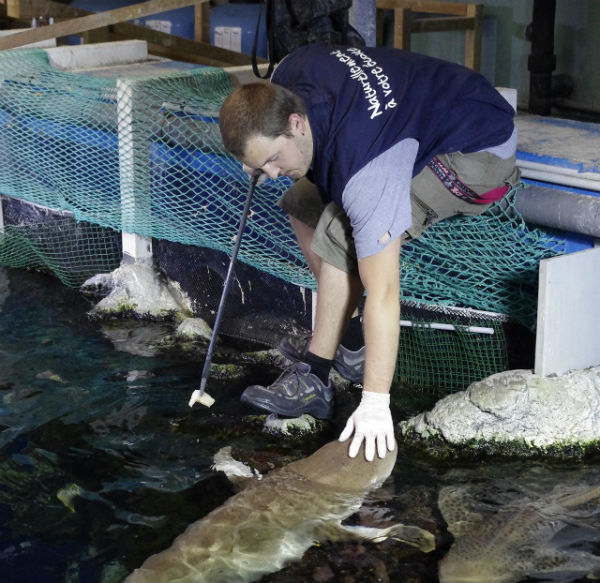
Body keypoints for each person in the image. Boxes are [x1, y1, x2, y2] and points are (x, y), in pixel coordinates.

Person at [219, 43, 520, 462]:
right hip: (428, 107)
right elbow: (275, 148)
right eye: (257, 167)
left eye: (272, 160)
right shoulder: (291, 71)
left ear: (296, 122)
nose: (268, 175)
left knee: (339, 235)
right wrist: (257, 158)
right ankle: (355, 343)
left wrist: (376, 403)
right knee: (299, 204)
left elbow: (384, 291)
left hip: (476, 150)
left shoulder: (367, 168)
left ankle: (315, 378)